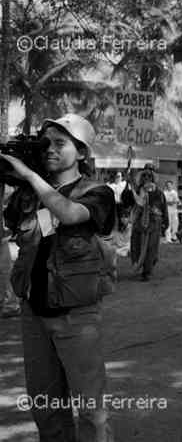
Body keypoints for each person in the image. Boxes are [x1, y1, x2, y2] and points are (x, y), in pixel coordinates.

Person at [3, 113, 115, 441]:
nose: (49, 149)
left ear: (81, 152)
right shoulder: (28, 193)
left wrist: (28, 175)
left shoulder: (98, 192)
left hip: (75, 317)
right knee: (46, 407)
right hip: (33, 312)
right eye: (45, 143)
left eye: (59, 143)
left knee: (91, 412)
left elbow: (67, 213)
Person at [130, 169, 168, 281]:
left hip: (154, 222)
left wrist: (166, 222)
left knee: (151, 247)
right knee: (136, 245)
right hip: (139, 223)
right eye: (144, 176)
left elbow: (163, 207)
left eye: (149, 176)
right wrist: (129, 187)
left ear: (152, 178)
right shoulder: (137, 191)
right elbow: (129, 202)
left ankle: (147, 271)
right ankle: (139, 266)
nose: (146, 178)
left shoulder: (158, 192)